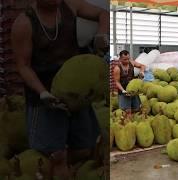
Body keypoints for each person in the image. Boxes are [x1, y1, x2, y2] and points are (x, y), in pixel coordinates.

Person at [10, 0, 107, 179]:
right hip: (44, 96)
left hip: (76, 93)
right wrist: (42, 92)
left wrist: (101, 34)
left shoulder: (71, 6)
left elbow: (103, 14)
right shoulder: (24, 23)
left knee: (86, 149)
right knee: (53, 156)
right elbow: (23, 66)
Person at [113, 50, 145, 119]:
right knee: (126, 111)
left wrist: (142, 72)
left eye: (128, 58)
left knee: (137, 109)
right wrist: (123, 90)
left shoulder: (132, 63)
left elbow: (142, 66)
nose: (127, 61)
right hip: (123, 91)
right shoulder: (117, 68)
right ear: (120, 59)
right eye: (125, 59)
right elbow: (117, 82)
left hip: (133, 90)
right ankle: (127, 123)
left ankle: (134, 122)